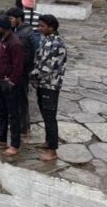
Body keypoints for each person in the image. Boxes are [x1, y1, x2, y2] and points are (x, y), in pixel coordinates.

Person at [30, 14, 67, 162]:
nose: (39, 28)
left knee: (50, 117)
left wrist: (30, 75)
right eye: (39, 25)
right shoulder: (47, 40)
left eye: (42, 26)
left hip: (50, 85)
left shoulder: (57, 44)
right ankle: (48, 142)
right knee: (45, 115)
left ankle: (52, 150)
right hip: (41, 83)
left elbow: (48, 67)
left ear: (51, 27)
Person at [0, 15, 24, 157]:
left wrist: (11, 81)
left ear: (4, 27)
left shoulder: (15, 43)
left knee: (13, 114)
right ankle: (1, 137)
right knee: (0, 110)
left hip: (9, 83)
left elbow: (18, 65)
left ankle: (15, 144)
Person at [8, 7, 36, 138]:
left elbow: (24, 57)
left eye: (11, 18)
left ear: (19, 19)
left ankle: (24, 128)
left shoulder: (24, 34)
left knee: (21, 100)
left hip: (22, 72)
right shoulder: (18, 31)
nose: (10, 21)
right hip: (18, 71)